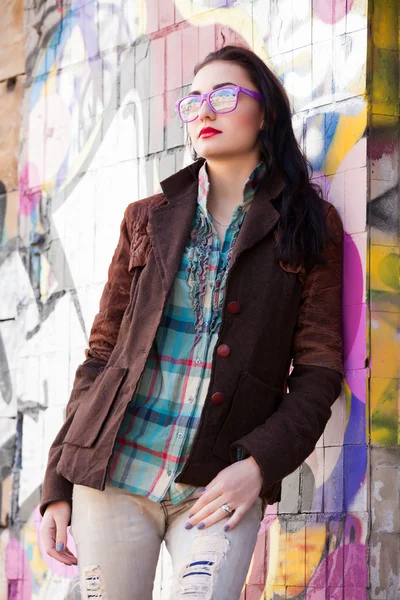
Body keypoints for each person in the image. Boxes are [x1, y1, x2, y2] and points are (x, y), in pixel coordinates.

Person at [39, 44, 344, 600]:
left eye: (225, 96)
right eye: (195, 100)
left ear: (266, 114)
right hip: (114, 473)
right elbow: (101, 359)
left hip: (219, 483)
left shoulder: (308, 224)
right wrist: (57, 481)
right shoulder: (146, 220)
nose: (205, 110)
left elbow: (320, 371)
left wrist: (259, 464)